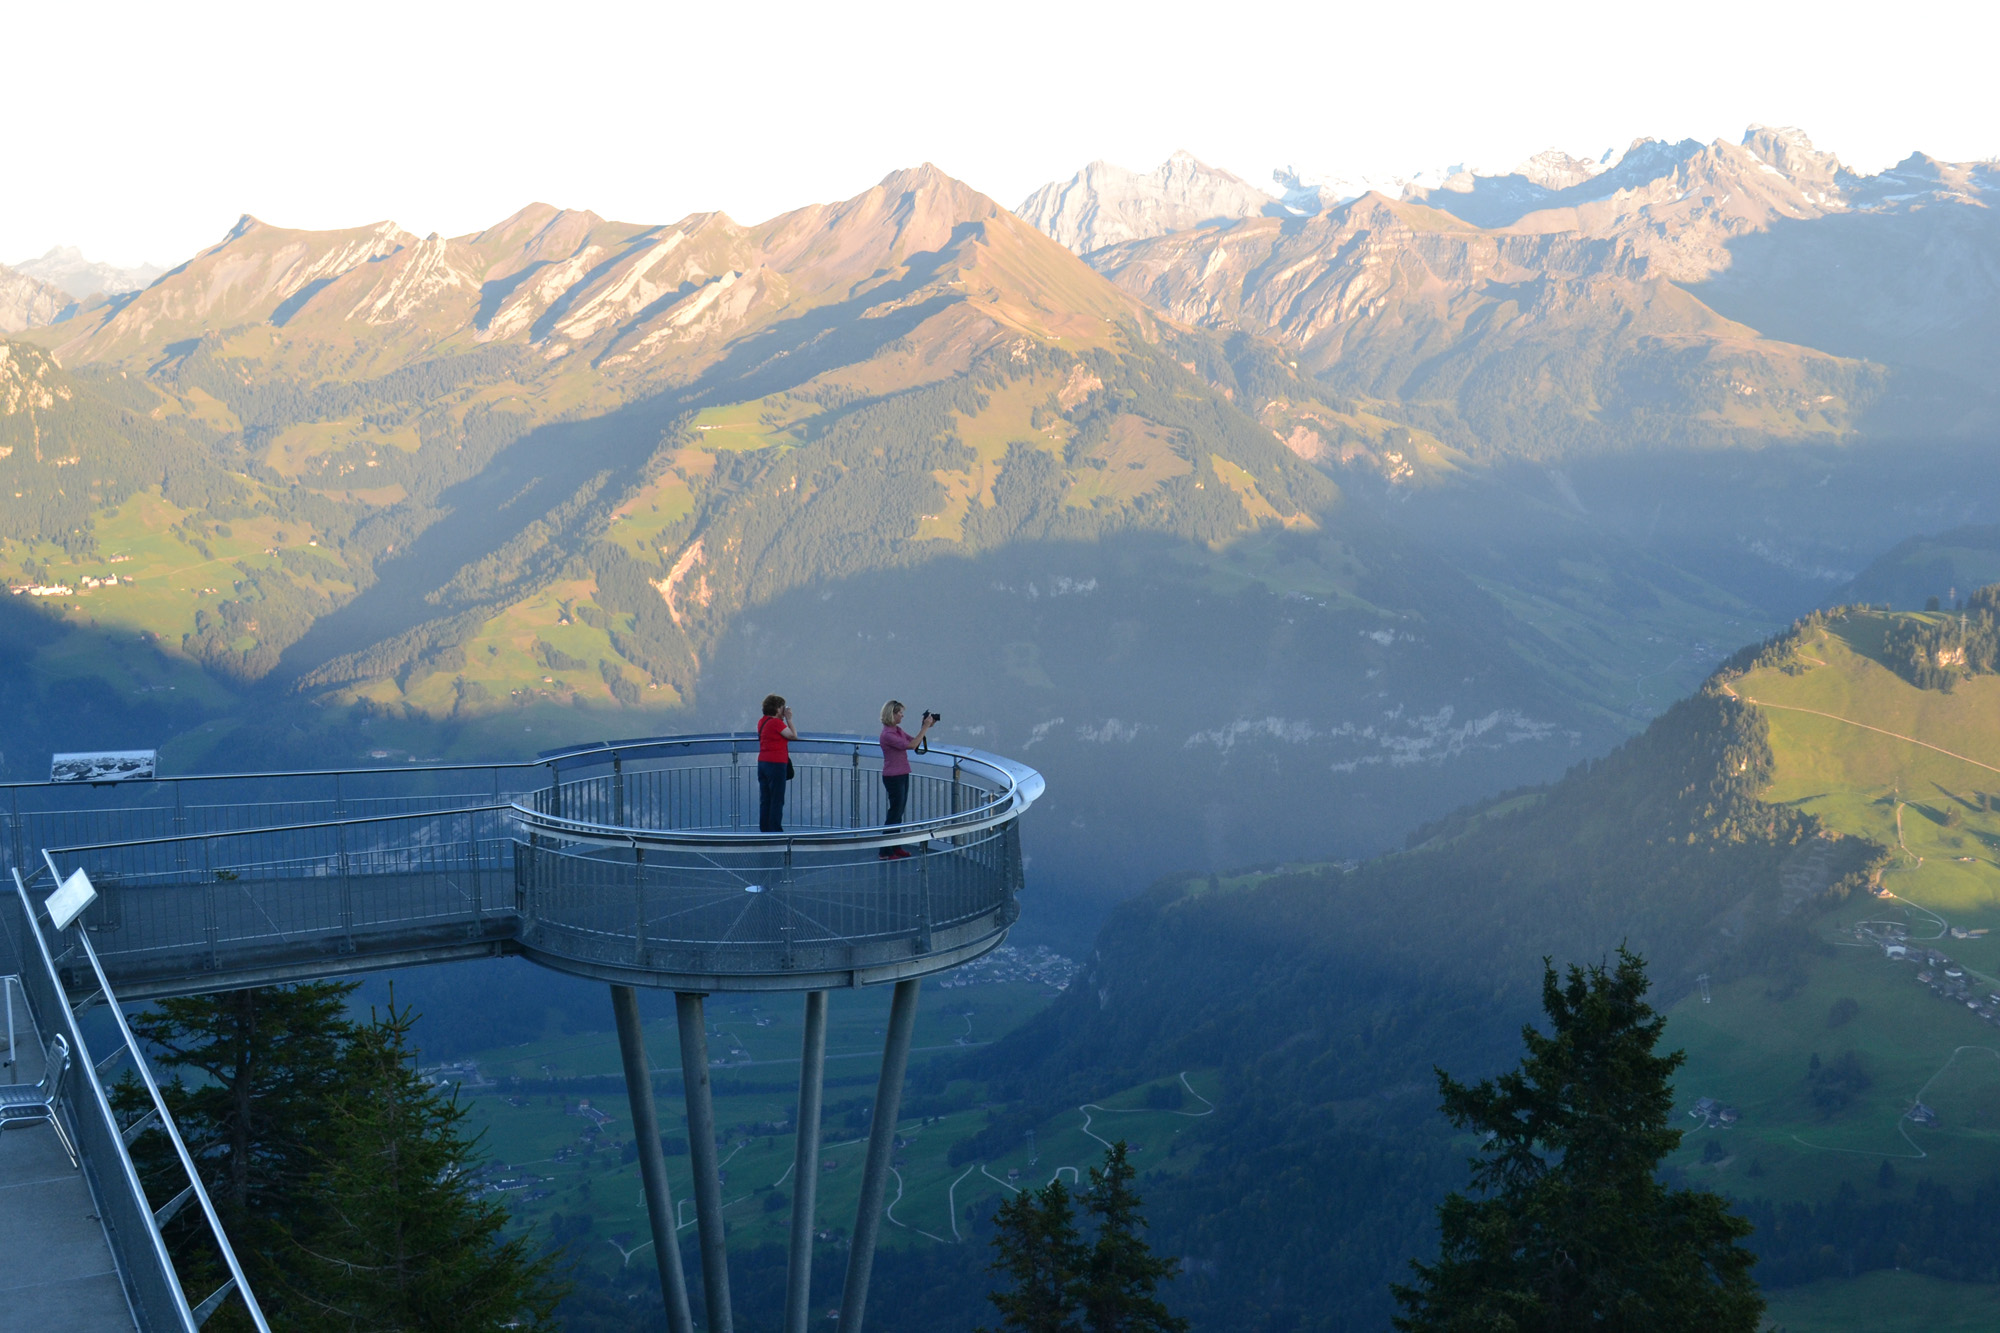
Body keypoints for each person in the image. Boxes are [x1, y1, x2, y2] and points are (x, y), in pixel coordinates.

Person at [877, 701, 933, 859]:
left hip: (901, 774)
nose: (902, 715)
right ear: (892, 714)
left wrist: (925, 727)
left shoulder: (896, 730)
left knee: (898, 813)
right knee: (894, 813)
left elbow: (913, 742)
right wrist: (925, 728)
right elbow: (911, 745)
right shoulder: (888, 734)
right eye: (900, 712)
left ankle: (895, 847)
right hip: (893, 777)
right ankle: (885, 851)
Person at [757, 694, 796, 833]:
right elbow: (792, 735)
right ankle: (775, 831)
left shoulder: (762, 721)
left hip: (762, 763)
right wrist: (789, 719)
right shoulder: (776, 723)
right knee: (777, 799)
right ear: (778, 708)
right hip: (776, 763)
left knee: (765, 798)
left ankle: (765, 830)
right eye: (782, 707)